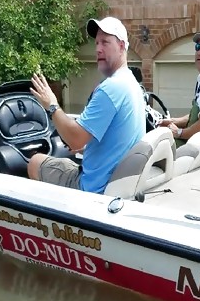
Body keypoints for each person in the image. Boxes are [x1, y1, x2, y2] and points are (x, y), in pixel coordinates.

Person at [27, 16, 146, 194]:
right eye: (96, 43)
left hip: (92, 188)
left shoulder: (110, 88)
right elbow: (113, 139)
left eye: (105, 42)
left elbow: (74, 138)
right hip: (115, 182)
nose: (98, 49)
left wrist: (51, 105)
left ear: (121, 46)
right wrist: (86, 147)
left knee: (34, 162)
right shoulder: (131, 83)